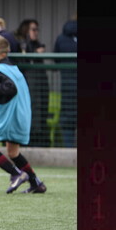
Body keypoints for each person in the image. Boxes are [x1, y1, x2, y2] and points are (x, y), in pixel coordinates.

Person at [0, 35, 46, 194]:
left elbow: (9, 89)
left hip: (9, 118)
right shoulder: (11, 68)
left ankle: (16, 174)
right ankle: (36, 183)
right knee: (13, 152)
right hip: (20, 115)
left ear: (3, 55)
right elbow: (2, 93)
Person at [14, 18, 50, 146]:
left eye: (37, 30)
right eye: (33, 29)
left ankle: (40, 141)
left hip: (41, 87)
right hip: (29, 87)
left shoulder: (39, 45)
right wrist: (34, 53)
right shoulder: (22, 45)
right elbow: (23, 63)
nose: (36, 33)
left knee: (41, 114)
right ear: (26, 30)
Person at [53, 15, 77, 147]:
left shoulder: (61, 38)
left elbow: (56, 60)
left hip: (67, 83)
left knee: (68, 118)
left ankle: (69, 148)